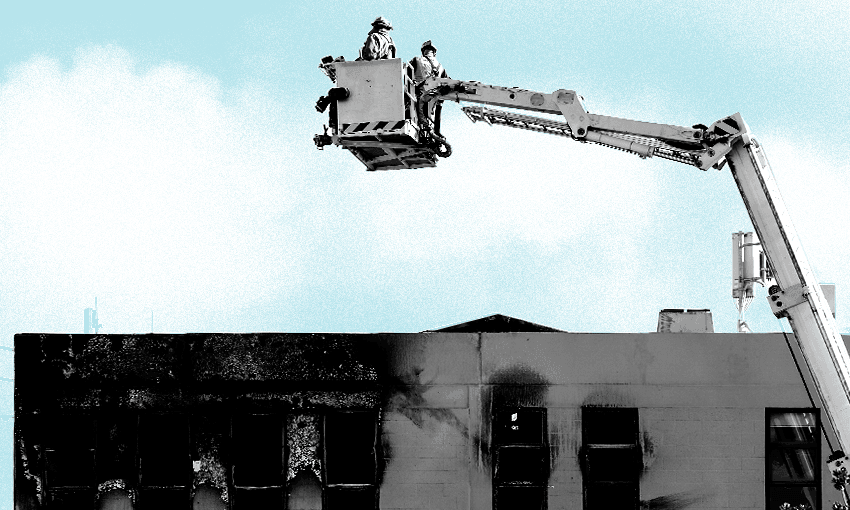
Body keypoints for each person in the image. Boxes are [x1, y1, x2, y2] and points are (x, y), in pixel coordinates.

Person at [410, 41, 449, 136]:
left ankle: (425, 126)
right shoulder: (441, 67)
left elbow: (405, 72)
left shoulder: (417, 59)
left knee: (417, 105)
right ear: (434, 53)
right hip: (433, 98)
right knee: (434, 108)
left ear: (423, 51)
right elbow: (447, 82)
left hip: (421, 95)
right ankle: (433, 130)